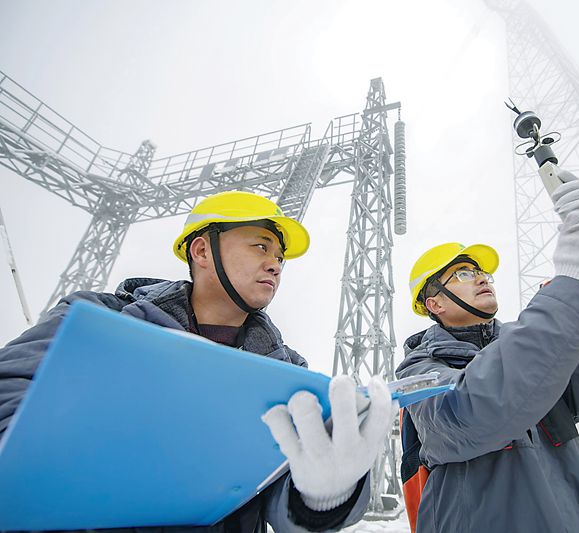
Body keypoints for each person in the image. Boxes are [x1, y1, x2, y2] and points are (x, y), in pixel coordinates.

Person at [0, 190, 392, 533]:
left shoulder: (287, 370)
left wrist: (322, 499)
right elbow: (9, 389)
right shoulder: (98, 318)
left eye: (279, 256)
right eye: (260, 246)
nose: (275, 264)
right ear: (202, 250)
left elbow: (276, 491)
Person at [396, 173, 579, 532]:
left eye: (482, 272)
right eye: (463, 273)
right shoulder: (418, 370)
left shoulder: (530, 345)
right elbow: (472, 412)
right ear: (435, 303)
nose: (481, 278)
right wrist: (573, 281)